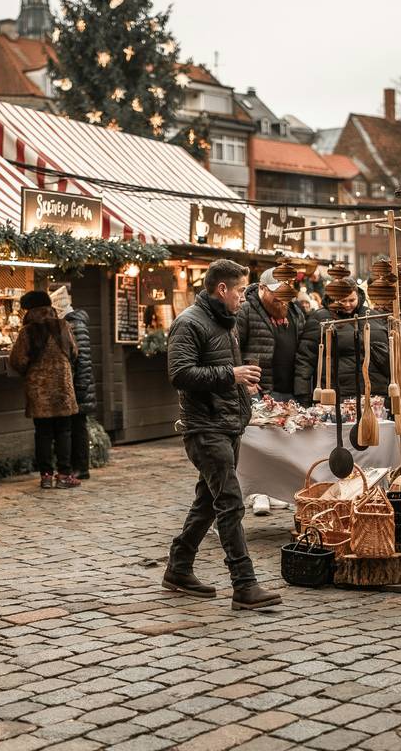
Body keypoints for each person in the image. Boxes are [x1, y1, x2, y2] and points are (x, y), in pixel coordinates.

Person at [163, 259, 281, 611]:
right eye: (241, 291)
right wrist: (231, 374)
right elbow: (180, 373)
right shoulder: (188, 323)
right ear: (222, 289)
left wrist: (245, 388)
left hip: (228, 423)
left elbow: (222, 374)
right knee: (230, 502)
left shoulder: (223, 322)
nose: (244, 298)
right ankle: (244, 584)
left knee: (207, 502)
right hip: (204, 427)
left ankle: (178, 568)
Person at [11, 290, 81, 489]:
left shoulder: (27, 332)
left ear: (29, 310)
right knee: (64, 432)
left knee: (42, 434)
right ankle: (64, 475)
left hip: (39, 389)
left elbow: (18, 360)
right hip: (62, 388)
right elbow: (74, 352)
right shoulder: (63, 326)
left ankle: (46, 476)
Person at [293, 283, 391, 405]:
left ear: (359, 297)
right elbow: (305, 359)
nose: (348, 304)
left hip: (375, 393)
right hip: (339, 395)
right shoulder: (320, 318)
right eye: (343, 300)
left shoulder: (373, 316)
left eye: (352, 300)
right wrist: (303, 395)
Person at [235, 269, 304, 402]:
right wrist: (246, 381)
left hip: (292, 393)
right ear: (262, 288)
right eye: (276, 292)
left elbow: (303, 353)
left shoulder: (296, 313)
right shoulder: (246, 309)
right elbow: (233, 348)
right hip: (260, 392)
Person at [49, 285, 96, 480]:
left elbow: (82, 358)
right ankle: (79, 466)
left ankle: (81, 467)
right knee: (77, 425)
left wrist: (80, 385)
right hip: (79, 381)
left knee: (77, 426)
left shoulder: (74, 325)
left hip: (78, 382)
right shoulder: (72, 323)